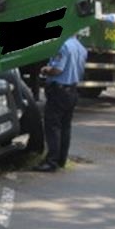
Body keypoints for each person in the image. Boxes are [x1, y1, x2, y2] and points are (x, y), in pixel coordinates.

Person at [33, 34, 88, 172]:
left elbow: (58, 69)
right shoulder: (81, 48)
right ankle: (61, 160)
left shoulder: (63, 45)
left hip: (59, 91)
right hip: (72, 90)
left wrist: (46, 70)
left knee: (52, 126)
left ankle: (51, 161)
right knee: (65, 127)